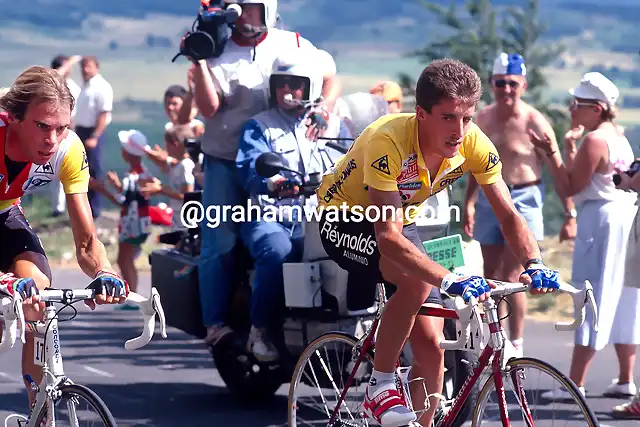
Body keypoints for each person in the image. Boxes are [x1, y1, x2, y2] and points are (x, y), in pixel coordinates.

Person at [315, 58, 561, 427]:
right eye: (448, 117)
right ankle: (379, 386)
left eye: (467, 118)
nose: (459, 131)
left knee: (431, 341)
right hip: (345, 218)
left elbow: (510, 214)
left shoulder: (473, 142)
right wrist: (448, 278)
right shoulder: (389, 140)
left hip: (400, 219)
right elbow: (388, 238)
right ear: (421, 114)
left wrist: (534, 263)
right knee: (416, 284)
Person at [188, 0, 342, 346]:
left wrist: (323, 109)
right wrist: (197, 57)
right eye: (235, 6)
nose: (242, 14)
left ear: (268, 9)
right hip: (228, 158)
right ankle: (216, 324)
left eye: (251, 7)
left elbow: (330, 79)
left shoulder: (294, 44)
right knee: (221, 240)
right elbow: (209, 108)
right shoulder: (216, 48)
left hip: (287, 153)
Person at [0, 66, 129, 406]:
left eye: (61, 128)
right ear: (14, 117)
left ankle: (39, 410)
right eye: (42, 126)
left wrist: (105, 272)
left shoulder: (67, 150)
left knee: (38, 301)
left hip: (5, 213)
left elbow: (86, 244)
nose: (51, 140)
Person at [530, 72, 640, 400]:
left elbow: (570, 187)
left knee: (590, 295)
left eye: (576, 104)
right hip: (624, 216)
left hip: (601, 221)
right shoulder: (617, 135)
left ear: (596, 108)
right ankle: (625, 378)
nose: (570, 109)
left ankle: (575, 382)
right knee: (624, 298)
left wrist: (552, 153)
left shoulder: (594, 141)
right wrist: (567, 145)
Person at [463, 53, 577, 356]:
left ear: (523, 85)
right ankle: (493, 340)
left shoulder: (534, 121)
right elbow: (477, 165)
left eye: (512, 83)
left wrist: (570, 213)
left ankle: (516, 344)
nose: (507, 90)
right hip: (491, 196)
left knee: (514, 275)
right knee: (491, 273)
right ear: (492, 84)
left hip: (525, 197)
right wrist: (469, 203)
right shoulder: (483, 118)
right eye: (501, 83)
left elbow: (557, 170)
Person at [235, 49, 334, 361]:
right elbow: (250, 167)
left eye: (296, 84)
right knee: (278, 251)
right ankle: (259, 330)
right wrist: (272, 183)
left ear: (311, 88)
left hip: (315, 217)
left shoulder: (326, 124)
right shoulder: (259, 126)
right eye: (282, 84)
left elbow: (354, 156)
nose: (288, 91)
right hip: (268, 215)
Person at [93, 129, 154, 309]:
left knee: (125, 259)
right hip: (137, 223)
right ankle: (131, 295)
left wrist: (102, 189)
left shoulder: (135, 175)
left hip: (132, 224)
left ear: (127, 152)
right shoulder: (141, 173)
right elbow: (132, 198)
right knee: (125, 259)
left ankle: (132, 297)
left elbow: (125, 203)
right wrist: (118, 187)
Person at [74, 56, 114, 219]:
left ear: (97, 67)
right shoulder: (86, 86)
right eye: (83, 66)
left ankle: (95, 210)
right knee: (82, 170)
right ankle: (85, 208)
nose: (85, 69)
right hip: (81, 130)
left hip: (92, 132)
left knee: (94, 171)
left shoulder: (102, 87)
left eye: (88, 66)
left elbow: (103, 113)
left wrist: (95, 136)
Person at [140, 125, 196, 231]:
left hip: (185, 223)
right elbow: (166, 164)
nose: (165, 148)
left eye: (167, 144)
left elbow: (187, 196)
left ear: (174, 144)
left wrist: (161, 189)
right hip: (178, 220)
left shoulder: (186, 165)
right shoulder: (178, 164)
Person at [49, 54, 82, 217]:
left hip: (72, 130)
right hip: (57, 131)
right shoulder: (54, 84)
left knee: (73, 169)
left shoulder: (72, 86)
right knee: (55, 168)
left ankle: (71, 206)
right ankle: (58, 207)